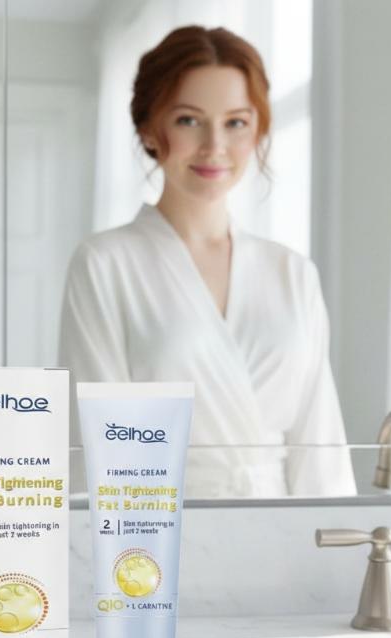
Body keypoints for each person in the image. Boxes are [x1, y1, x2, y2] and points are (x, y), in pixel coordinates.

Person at [59, 25, 356, 499]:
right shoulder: (105, 264)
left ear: (258, 130)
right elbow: (100, 451)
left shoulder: (293, 273)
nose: (214, 145)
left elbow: (323, 457)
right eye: (188, 120)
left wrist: (336, 539)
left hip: (285, 532)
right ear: (149, 129)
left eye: (236, 122)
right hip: (160, 530)